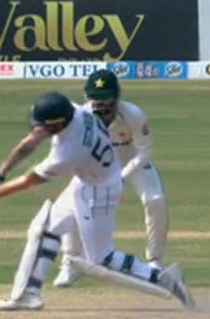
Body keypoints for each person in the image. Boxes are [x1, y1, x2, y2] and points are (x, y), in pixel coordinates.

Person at [0, 90, 195, 311]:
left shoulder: (68, 152)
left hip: (99, 190)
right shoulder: (74, 110)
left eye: (44, 125)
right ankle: (28, 294)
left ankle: (163, 277)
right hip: (86, 180)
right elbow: (32, 139)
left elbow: (28, 181)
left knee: (101, 259)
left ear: (56, 125)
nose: (38, 129)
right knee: (44, 229)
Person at [53, 70, 170, 288]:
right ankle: (71, 262)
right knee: (72, 202)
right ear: (87, 97)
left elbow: (144, 152)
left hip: (131, 162)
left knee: (155, 199)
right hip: (97, 165)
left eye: (106, 98)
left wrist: (120, 178)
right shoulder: (81, 117)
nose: (101, 105)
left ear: (117, 96)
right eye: (96, 98)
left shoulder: (133, 114)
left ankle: (155, 261)